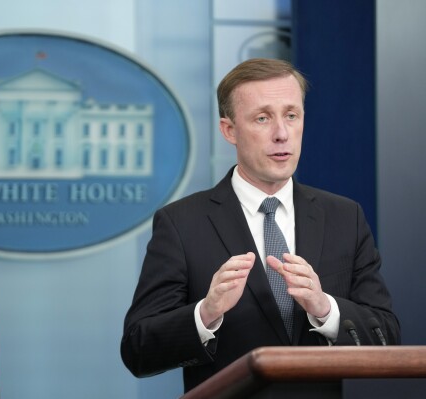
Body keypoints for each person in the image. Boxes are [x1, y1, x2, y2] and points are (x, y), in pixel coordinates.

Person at [120, 58, 400, 392]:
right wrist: (205, 314)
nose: (281, 134)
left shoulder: (344, 217)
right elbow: (138, 350)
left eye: (291, 115)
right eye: (263, 118)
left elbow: (387, 336)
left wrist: (326, 309)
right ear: (230, 130)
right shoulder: (181, 223)